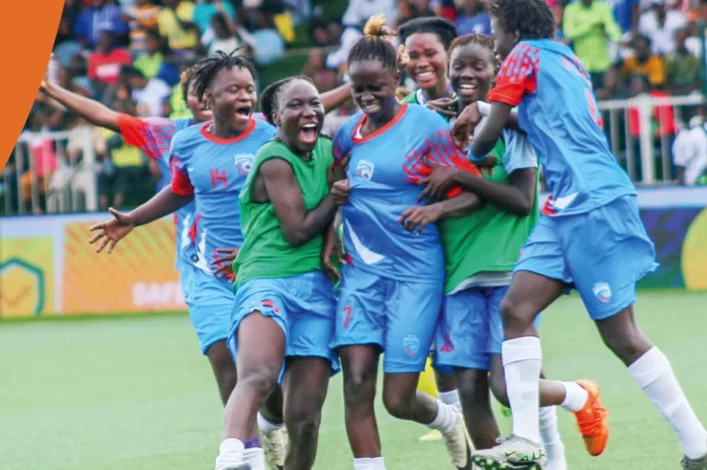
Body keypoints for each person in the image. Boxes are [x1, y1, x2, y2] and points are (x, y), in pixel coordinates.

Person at [462, 1, 707, 468]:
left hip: (592, 201)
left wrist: (472, 139)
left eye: (494, 28)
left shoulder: (523, 55)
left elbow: (490, 135)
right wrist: (486, 109)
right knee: (516, 308)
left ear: (512, 26)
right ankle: (526, 438)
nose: (494, 39)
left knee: (621, 336)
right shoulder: (565, 59)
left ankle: (699, 445)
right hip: (562, 204)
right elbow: (538, 119)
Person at [408, 33, 609, 470]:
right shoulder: (437, 124)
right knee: (470, 388)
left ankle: (578, 395)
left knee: (507, 386)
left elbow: (521, 199)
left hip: (510, 271)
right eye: (459, 66)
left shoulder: (511, 127)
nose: (465, 74)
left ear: (497, 72)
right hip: (456, 275)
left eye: (478, 66)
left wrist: (458, 179)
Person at [86, 50, 280, 470]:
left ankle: (269, 426)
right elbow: (181, 188)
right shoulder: (185, 141)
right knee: (224, 361)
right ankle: (246, 457)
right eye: (235, 89)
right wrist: (134, 219)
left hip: (262, 269)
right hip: (209, 271)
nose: (246, 95)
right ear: (206, 99)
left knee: (270, 387)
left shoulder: (270, 136)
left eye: (250, 88)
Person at [326, 15, 480, 470]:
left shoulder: (428, 128)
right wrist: (333, 215)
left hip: (415, 275)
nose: (367, 96)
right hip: (360, 274)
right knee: (355, 384)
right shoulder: (344, 133)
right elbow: (334, 180)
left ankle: (448, 420)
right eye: (358, 88)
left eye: (375, 85)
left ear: (396, 77)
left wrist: (435, 210)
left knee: (396, 399)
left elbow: (473, 190)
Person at [215, 76, 349, 470]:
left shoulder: (329, 150)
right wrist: (335, 198)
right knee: (258, 376)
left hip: (318, 288)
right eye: (295, 106)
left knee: (306, 421)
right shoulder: (274, 158)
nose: (308, 112)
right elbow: (296, 230)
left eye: (314, 104)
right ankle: (228, 461)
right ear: (275, 117)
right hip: (267, 278)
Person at [397, 15, 462, 441]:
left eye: (430, 53)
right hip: (425, 247)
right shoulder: (401, 111)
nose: (421, 63)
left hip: (475, 239)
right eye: (412, 55)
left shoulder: (482, 102)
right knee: (441, 351)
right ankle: (461, 435)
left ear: (450, 55)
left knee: (504, 351)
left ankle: (551, 429)